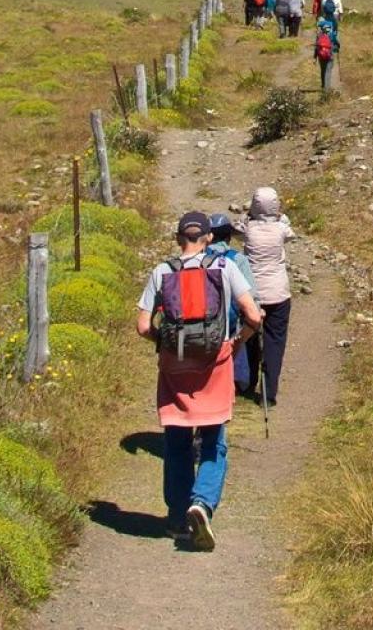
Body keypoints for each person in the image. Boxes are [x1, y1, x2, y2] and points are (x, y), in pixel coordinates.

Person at [136, 212, 263, 551]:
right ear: (209, 238)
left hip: (174, 367)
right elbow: (253, 315)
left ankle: (177, 518)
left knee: (176, 441)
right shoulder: (224, 268)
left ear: (179, 238)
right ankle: (202, 502)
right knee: (213, 440)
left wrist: (165, 344)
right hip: (215, 363)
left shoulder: (162, 272)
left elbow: (144, 326)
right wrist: (236, 344)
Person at [237, 188, 295, 405]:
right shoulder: (281, 229)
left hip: (252, 293)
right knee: (275, 341)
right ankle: (269, 394)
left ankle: (248, 381)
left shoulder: (248, 229)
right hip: (278, 293)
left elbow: (238, 225)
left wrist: (249, 216)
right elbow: (290, 231)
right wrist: (279, 217)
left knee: (249, 337)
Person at [206, 213, 257, 396]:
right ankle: (234, 382)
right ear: (229, 237)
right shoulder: (238, 259)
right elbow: (251, 293)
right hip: (232, 318)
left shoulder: (198, 258)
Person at [314, 17, 335, 91]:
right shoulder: (331, 34)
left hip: (321, 55)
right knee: (328, 71)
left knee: (323, 70)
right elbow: (336, 44)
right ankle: (327, 88)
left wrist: (315, 58)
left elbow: (316, 47)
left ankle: (323, 85)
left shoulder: (319, 35)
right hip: (329, 54)